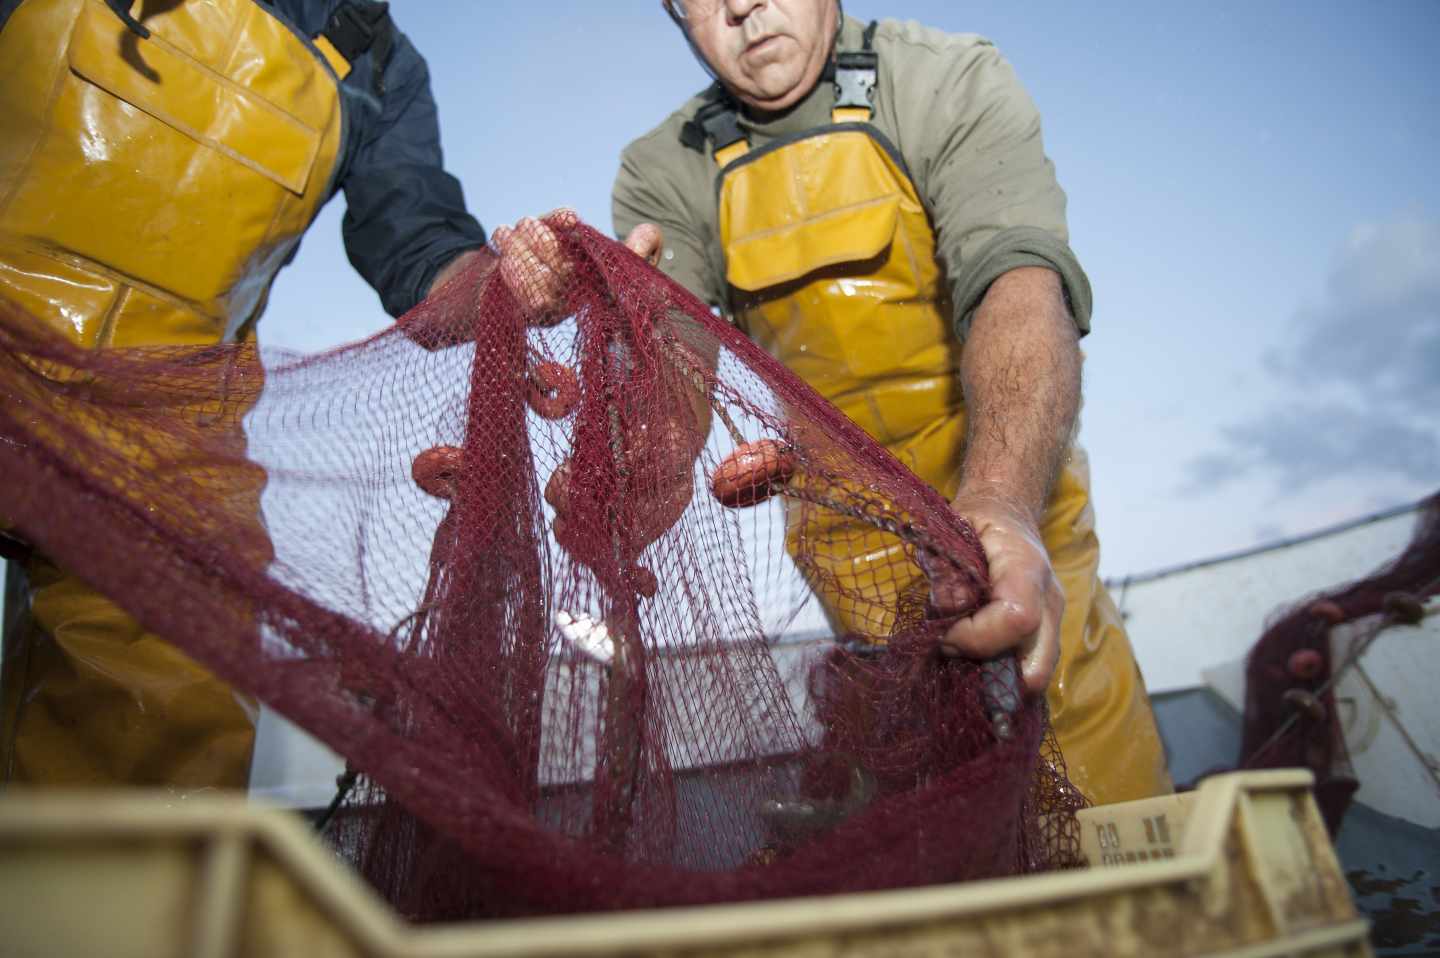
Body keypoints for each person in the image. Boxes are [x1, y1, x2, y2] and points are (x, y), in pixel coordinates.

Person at [609, 0, 1171, 804]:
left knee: (1094, 761)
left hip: (1014, 503)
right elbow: (677, 365)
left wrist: (1004, 504)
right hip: (852, 549)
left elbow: (1017, 276)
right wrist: (632, 460)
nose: (741, 5)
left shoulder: (946, 77)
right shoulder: (662, 167)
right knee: (935, 790)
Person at [0, 0, 549, 788]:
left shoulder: (381, 66)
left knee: (168, 706)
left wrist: (506, 288)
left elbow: (424, 256)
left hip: (166, 424)